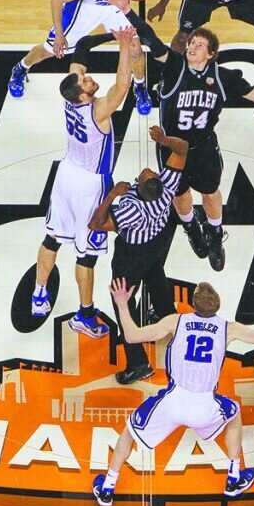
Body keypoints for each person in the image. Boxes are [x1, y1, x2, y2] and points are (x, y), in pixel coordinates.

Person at [104, 0, 254, 272]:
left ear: (211, 54)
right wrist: (126, 9)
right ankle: (191, 227)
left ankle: (215, 235)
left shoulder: (223, 76)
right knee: (180, 195)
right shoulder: (174, 66)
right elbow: (149, 37)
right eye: (191, 43)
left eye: (199, 45)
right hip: (172, 148)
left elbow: (253, 93)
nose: (192, 47)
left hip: (204, 147)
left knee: (211, 194)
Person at [92, 278, 254, 506]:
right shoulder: (229, 328)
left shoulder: (176, 321)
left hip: (173, 401)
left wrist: (122, 304)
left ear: (193, 303)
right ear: (217, 304)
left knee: (129, 432)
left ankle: (107, 487)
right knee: (234, 414)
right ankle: (234, 477)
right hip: (206, 405)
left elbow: (131, 335)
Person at [7, 0, 217, 114]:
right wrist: (60, 36)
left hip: (115, 8)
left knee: (135, 48)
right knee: (50, 49)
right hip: (86, 8)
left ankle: (140, 86)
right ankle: (21, 67)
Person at [30, 26, 136, 338]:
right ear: (83, 95)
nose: (89, 79)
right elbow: (123, 84)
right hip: (90, 185)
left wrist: (108, 35)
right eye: (86, 82)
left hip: (66, 174)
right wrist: (124, 45)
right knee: (86, 254)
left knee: (52, 238)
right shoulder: (98, 111)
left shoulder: (70, 97)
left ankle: (39, 293)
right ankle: (85, 315)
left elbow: (82, 50)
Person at [88, 125, 186, 384]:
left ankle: (138, 363)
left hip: (131, 257)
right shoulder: (166, 186)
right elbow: (182, 150)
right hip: (155, 245)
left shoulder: (131, 210)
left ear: (140, 188)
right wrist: (164, 139)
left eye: (147, 174)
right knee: (157, 281)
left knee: (123, 302)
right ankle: (173, 325)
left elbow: (96, 224)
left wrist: (113, 194)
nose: (149, 170)